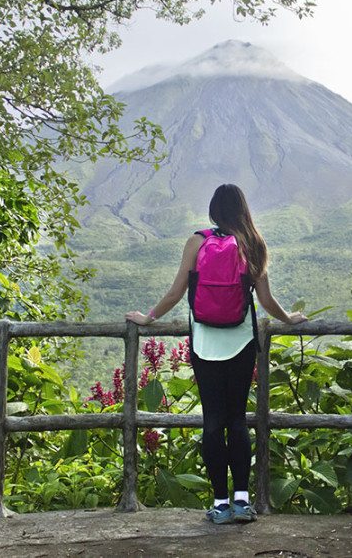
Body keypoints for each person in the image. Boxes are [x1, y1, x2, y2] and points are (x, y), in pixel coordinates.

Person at [126, 183, 308, 524]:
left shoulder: (197, 241)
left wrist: (147, 318)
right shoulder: (253, 243)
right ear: (243, 210)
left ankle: (220, 504)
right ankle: (242, 501)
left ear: (213, 210)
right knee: (238, 420)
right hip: (240, 342)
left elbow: (177, 291)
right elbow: (266, 301)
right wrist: (289, 318)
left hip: (204, 342)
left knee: (212, 424)